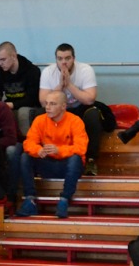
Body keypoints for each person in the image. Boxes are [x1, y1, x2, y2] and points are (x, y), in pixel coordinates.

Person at [16, 90, 88, 219]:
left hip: (68, 166)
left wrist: (59, 150)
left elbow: (81, 148)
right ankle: (29, 200)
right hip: (47, 164)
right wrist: (38, 150)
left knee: (76, 158)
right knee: (25, 157)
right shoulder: (39, 120)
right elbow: (29, 143)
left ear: (63, 106)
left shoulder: (75, 121)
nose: (47, 107)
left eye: (53, 104)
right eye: (46, 103)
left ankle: (64, 200)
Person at [38, 43, 102, 176]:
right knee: (41, 114)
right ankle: (44, 158)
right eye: (60, 59)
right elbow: (44, 102)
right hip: (59, 110)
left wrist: (69, 85)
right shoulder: (48, 72)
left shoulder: (85, 70)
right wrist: (60, 85)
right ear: (56, 59)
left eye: (67, 58)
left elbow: (90, 99)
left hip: (80, 107)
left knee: (93, 115)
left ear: (74, 58)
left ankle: (91, 160)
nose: (64, 62)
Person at [0, 41, 41, 135]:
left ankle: (26, 140)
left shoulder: (32, 71)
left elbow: (33, 99)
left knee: (23, 112)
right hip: (9, 104)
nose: (0, 63)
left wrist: (11, 105)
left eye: (3, 59)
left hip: (29, 106)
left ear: (13, 56)